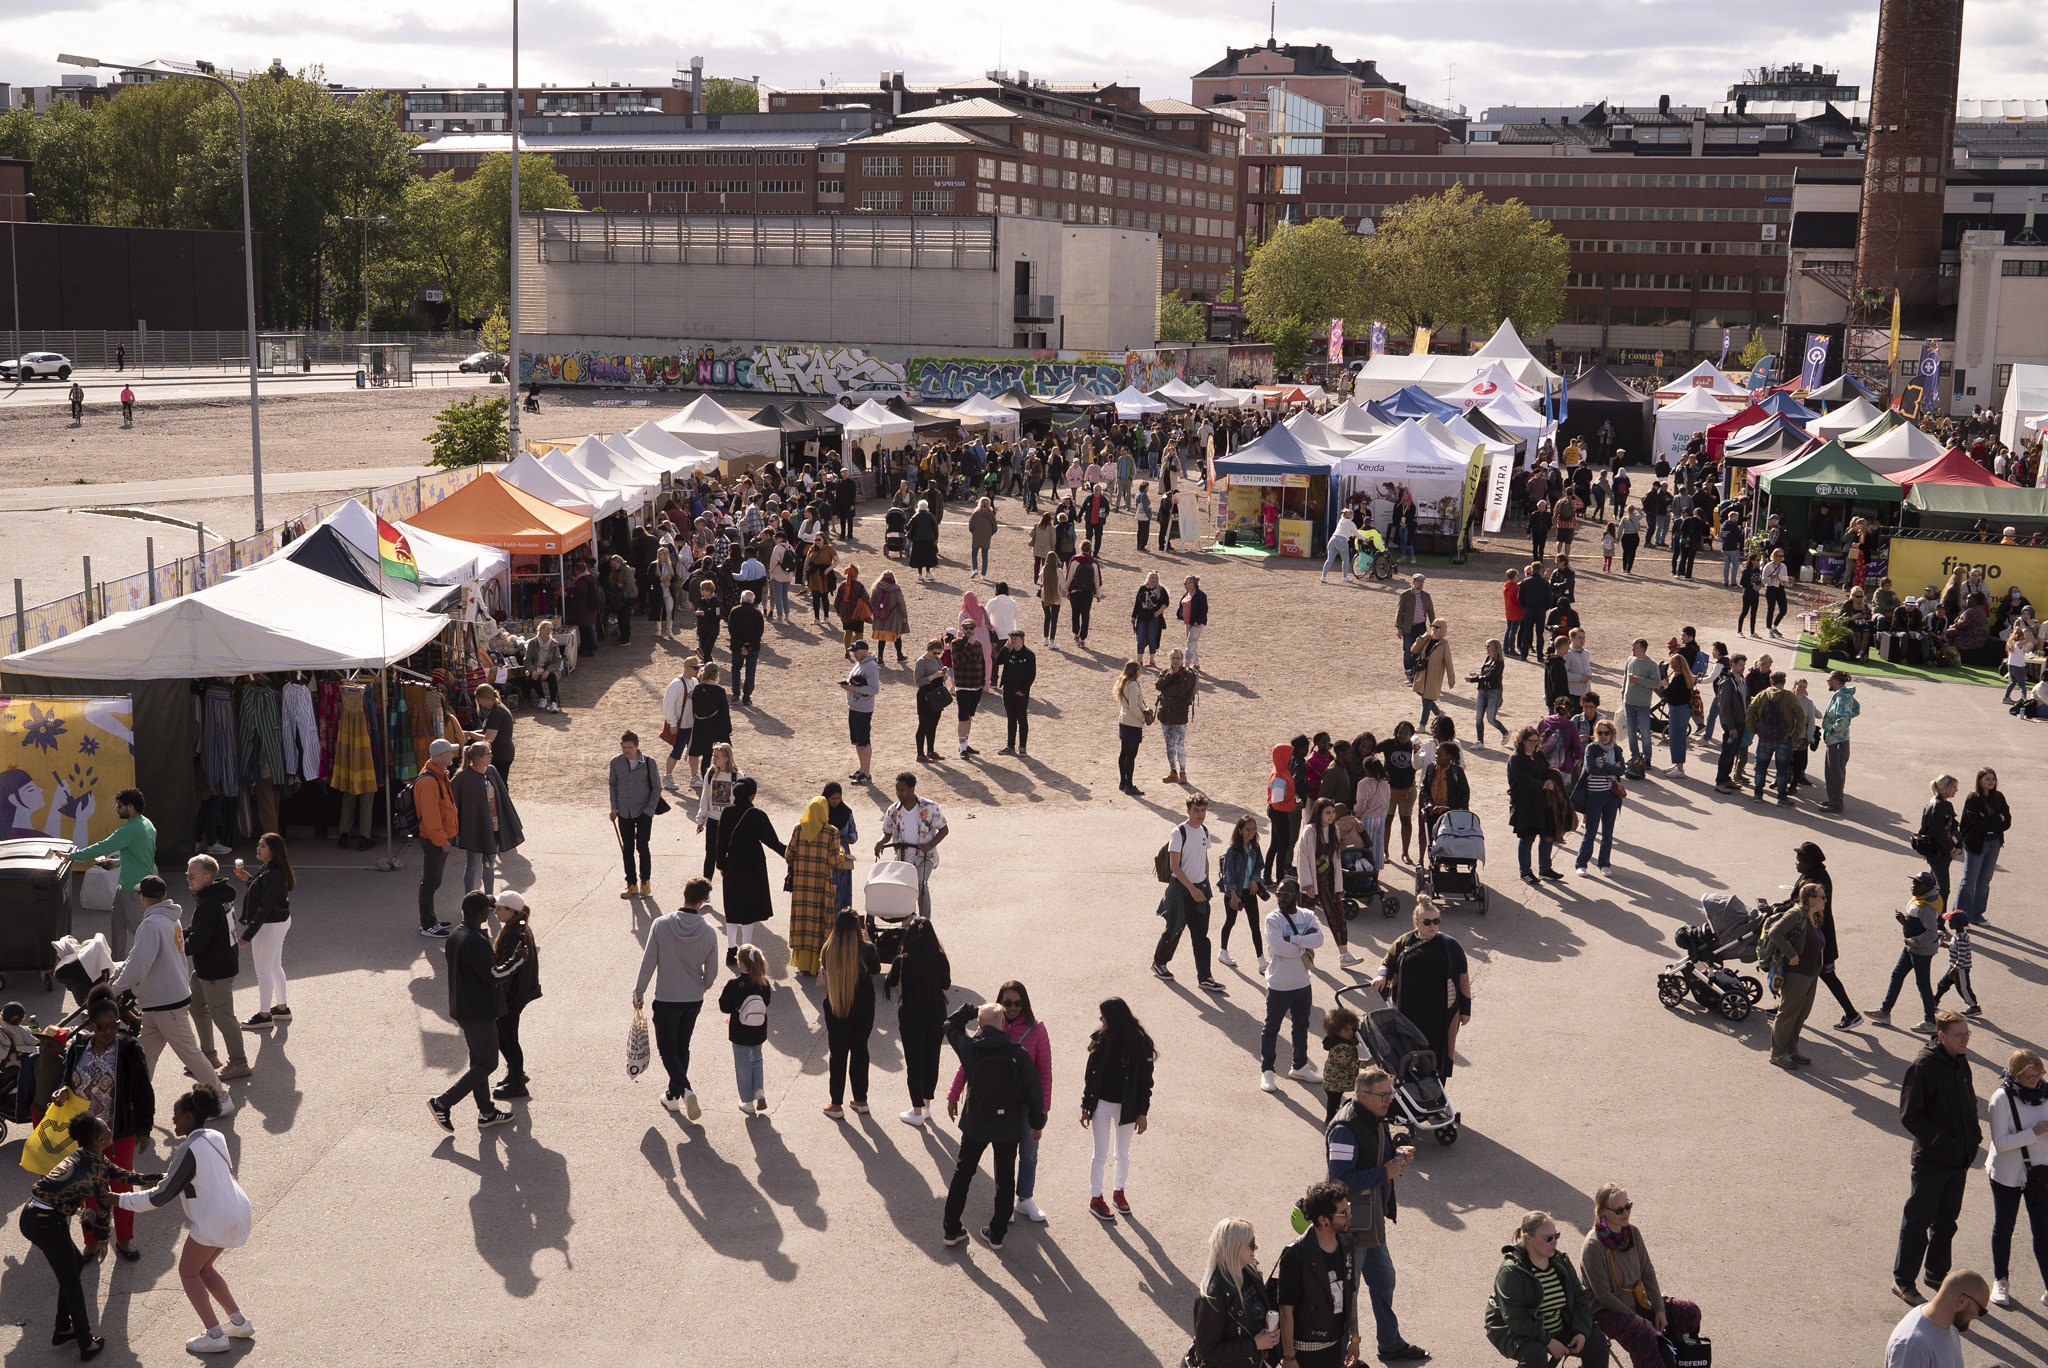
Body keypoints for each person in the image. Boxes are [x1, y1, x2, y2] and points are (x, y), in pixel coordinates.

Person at [117, 1087, 255, 1355]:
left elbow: (160, 1197)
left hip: (214, 1220)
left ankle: (215, 1334)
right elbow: (195, 1174)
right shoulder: (215, 1136)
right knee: (204, 1269)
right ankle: (239, 1323)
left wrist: (118, 1200)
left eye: (177, 1115)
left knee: (188, 1272)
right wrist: (166, 1176)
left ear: (190, 1116)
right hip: (237, 1211)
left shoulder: (188, 1148)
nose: (173, 1120)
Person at [20, 1105, 157, 1360]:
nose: (108, 1125)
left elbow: (119, 1173)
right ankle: (86, 1342)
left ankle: (63, 1329)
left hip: (37, 1217)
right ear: (100, 1139)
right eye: (104, 1126)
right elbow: (104, 1210)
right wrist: (104, 1239)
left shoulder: (88, 1156)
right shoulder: (93, 1171)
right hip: (46, 1222)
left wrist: (148, 1178)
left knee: (74, 1267)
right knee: (71, 1282)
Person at [1326, 1069, 1428, 1362]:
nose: (1390, 1100)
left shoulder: (1374, 1117)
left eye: (1391, 1094)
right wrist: (1386, 1172)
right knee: (1348, 1293)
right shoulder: (1345, 1128)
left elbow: (1373, 1153)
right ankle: (1341, 1355)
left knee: (1384, 1281)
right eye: (1384, 1096)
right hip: (1351, 1226)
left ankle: (1390, 1343)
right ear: (1363, 1096)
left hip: (1371, 1222)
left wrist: (1396, 1152)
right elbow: (1339, 1181)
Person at [109, 875, 233, 1112]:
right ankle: (134, 1101)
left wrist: (115, 987)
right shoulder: (169, 918)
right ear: (164, 895)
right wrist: (120, 976)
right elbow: (137, 956)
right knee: (145, 1056)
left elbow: (139, 963)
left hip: (165, 1002)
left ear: (142, 898)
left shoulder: (151, 924)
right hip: (161, 1001)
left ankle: (221, 1098)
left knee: (191, 1054)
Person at [54, 992, 156, 1265]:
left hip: (118, 1131)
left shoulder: (130, 1049)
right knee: (88, 1189)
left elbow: (143, 1092)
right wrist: (62, 1091)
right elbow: (67, 1081)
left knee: (121, 1187)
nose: (109, 1032)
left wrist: (144, 1129)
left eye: (115, 1026)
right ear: (91, 1024)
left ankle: (124, 1239)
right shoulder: (78, 1047)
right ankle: (92, 1241)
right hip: (85, 1135)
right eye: (102, 1027)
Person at [939, 1000, 1047, 1250]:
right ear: (1002, 1025)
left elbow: (950, 1024)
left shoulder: (969, 1048)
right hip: (1007, 1125)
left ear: (978, 1024)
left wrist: (969, 1008)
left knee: (962, 1174)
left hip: (976, 1123)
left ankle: (951, 1228)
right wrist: (1036, 1121)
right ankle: (997, 1233)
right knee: (1005, 1178)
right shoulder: (1017, 1052)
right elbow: (1033, 1091)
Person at [1893, 1012, 1983, 1303]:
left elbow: (1968, 1100)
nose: (1965, 1039)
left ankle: (1936, 1273)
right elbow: (1910, 1116)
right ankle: (1903, 1281)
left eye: (1967, 1034)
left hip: (1958, 1159)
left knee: (1947, 1221)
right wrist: (1943, 1143)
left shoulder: (1959, 1059)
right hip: (1932, 1161)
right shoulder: (1924, 1066)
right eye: (1959, 1035)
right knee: (1918, 1222)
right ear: (1941, 1036)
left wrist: (1974, 1133)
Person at [428, 891, 525, 1132]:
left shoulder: (455, 936)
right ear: (480, 913)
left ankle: (486, 1111)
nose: (491, 912)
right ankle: (443, 1102)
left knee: (478, 1061)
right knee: (488, 1063)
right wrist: (516, 960)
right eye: (488, 909)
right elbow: (495, 976)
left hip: (462, 1008)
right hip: (479, 1011)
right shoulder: (477, 941)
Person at [1578, 1184, 1703, 1368]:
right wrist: (1639, 1319)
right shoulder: (1593, 1246)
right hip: (1607, 1311)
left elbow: (1647, 1272)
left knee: (1689, 1312)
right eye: (1619, 1210)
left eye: (1628, 1206)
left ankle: (1675, 1358)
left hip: (1637, 1301)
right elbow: (1604, 1296)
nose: (1626, 1213)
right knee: (1642, 1333)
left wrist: (1660, 1309)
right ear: (1604, 1212)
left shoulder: (1632, 1232)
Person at [633, 877, 721, 1118]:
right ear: (703, 901)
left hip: (667, 998)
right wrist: (702, 987)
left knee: (667, 1049)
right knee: (683, 1045)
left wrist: (639, 991)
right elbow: (712, 973)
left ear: (684, 894)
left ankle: (686, 1091)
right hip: (693, 999)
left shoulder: (661, 925)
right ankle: (673, 1096)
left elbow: (648, 961)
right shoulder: (709, 932)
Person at [1485, 1211, 1610, 1368]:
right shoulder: (1511, 1272)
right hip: (1515, 1331)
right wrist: (1548, 1341)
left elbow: (1580, 1298)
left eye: (1556, 1235)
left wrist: (1581, 1331)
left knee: (1597, 1341)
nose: (1554, 1242)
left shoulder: (1560, 1260)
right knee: (1535, 1354)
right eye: (1548, 1238)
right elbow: (1515, 1318)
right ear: (1528, 1239)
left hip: (1555, 1326)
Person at [1376, 900, 1472, 1081]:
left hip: (1440, 1016)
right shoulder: (1404, 941)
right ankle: (1409, 1094)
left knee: (1437, 1057)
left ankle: (1436, 1095)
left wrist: (1465, 1011)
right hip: (1407, 1013)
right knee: (1407, 1053)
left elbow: (1463, 979)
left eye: (1436, 921)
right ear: (1416, 923)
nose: (1432, 925)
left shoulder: (1451, 945)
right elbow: (1387, 961)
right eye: (1427, 922)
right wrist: (1381, 976)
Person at [1080, 997, 1155, 1223]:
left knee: (1122, 1154)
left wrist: (1143, 1112)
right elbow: (1090, 1076)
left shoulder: (1140, 1045)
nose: (1100, 1019)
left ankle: (1118, 1192)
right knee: (1099, 1153)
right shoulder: (1100, 1040)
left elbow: (1145, 1082)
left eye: (1103, 1015)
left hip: (1128, 1107)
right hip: (1101, 1105)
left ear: (1114, 1018)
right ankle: (1096, 1198)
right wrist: (1086, 1105)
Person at [1984, 1049, 2048, 1309]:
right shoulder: (2001, 1099)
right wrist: (2032, 1133)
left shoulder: (2046, 1094)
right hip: (2008, 1174)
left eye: (2038, 1074)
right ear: (2015, 1074)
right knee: (2004, 1228)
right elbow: (2000, 1142)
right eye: (2028, 1076)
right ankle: (2001, 1280)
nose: (2034, 1080)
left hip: (2041, 1174)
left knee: (2043, 1233)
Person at [181, 858, 250, 1081]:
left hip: (216, 970)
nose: (188, 879)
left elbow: (199, 940)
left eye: (192, 876)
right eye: (187, 875)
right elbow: (198, 928)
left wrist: (176, 949)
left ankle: (239, 1062)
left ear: (207, 877)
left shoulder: (209, 903)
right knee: (198, 1006)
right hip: (209, 967)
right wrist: (179, 935)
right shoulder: (215, 897)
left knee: (223, 1016)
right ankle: (208, 1057)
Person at [67, 786, 155, 959]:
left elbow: (102, 846)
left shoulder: (129, 830)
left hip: (135, 891)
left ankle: (151, 970)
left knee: (142, 934)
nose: (117, 809)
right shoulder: (147, 824)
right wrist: (119, 862)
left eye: (119, 806)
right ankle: (117, 969)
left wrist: (71, 856)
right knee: (118, 931)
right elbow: (142, 855)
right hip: (124, 889)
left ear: (130, 807)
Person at [1258, 877, 1326, 1093]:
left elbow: (1319, 939)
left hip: (1302, 983)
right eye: (1278, 894)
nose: (1281, 898)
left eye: (1286, 894)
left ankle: (1300, 1066)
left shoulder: (1308, 915)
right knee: (1271, 1029)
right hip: (1279, 984)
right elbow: (1279, 948)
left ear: (1296, 895)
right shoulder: (1273, 919)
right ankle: (1267, 1071)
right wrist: (1302, 942)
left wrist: (1294, 940)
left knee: (1301, 1027)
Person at [1191, 1215, 1282, 1367]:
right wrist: (1254, 1344)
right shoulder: (1214, 1295)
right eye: (1251, 1244)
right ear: (1235, 1247)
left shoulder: (1250, 1271)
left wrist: (1269, 1333)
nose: (1256, 1248)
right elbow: (1206, 1350)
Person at [1152, 792, 1221, 990]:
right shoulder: (1178, 832)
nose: (1200, 814)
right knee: (1174, 929)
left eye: (1203, 810)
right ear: (1188, 811)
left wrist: (1205, 882)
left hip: (1199, 890)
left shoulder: (1205, 831)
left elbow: (1204, 857)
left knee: (1201, 936)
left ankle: (1205, 978)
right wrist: (1191, 888)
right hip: (1180, 890)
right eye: (1196, 810)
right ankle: (1159, 962)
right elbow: (1174, 866)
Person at [890, 920, 953, 1130]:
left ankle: (916, 1111)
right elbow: (945, 984)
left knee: (914, 1063)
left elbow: (890, 982)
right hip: (936, 1013)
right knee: (931, 1058)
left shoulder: (903, 959)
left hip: (911, 1016)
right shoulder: (940, 957)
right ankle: (926, 1106)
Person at [820, 911, 880, 1119]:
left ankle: (836, 1104)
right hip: (864, 1007)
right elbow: (876, 969)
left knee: (838, 1054)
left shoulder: (828, 950)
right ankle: (861, 1099)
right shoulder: (867, 950)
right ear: (857, 928)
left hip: (837, 1005)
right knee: (860, 1050)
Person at [230, 833, 293, 1029]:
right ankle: (281, 1008)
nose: (258, 848)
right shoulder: (272, 869)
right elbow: (266, 895)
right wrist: (249, 880)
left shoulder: (272, 873)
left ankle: (265, 1015)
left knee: (263, 970)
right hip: (278, 922)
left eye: (263, 846)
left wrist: (247, 934)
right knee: (274, 965)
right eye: (258, 845)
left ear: (273, 851)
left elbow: (264, 907)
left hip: (269, 925)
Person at [717, 775, 788, 948]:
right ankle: (746, 950)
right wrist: (790, 854)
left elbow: (720, 843)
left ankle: (731, 949)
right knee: (749, 911)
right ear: (752, 795)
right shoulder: (757, 815)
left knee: (732, 908)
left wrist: (721, 865)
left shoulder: (727, 812)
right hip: (753, 867)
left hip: (732, 864)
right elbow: (773, 842)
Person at [1761, 882, 1826, 1069]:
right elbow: (1775, 933)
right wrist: (1792, 954)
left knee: (1801, 1014)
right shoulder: (1796, 914)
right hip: (1797, 975)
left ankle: (1790, 1050)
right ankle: (1778, 1053)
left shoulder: (1814, 915)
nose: (1825, 900)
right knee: (1788, 1014)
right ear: (1811, 900)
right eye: (1822, 897)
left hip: (1811, 974)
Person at [451, 741, 522, 896]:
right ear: (477, 758)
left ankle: (488, 898)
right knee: (472, 866)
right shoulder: (463, 777)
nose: (491, 755)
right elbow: (451, 801)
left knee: (489, 864)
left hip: (493, 827)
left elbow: (502, 797)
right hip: (474, 829)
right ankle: (469, 900)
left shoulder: (491, 771)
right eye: (487, 754)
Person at [489, 891, 541, 1103]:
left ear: (511, 911)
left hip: (512, 996)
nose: (495, 912)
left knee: (506, 1037)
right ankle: (515, 1073)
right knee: (507, 1035)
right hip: (519, 993)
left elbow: (508, 971)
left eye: (499, 908)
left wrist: (498, 997)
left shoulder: (512, 934)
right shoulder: (520, 926)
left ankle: (517, 1080)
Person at [876, 772, 947, 919]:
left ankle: (925, 921)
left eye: (902, 790)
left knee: (920, 884)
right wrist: (881, 842)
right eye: (897, 790)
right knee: (904, 888)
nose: (898, 793)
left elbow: (944, 829)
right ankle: (907, 919)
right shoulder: (893, 810)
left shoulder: (930, 806)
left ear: (912, 789)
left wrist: (930, 845)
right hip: (902, 858)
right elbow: (886, 832)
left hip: (925, 856)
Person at [1884, 1270, 1989, 1368]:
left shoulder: (1949, 1323)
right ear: (1962, 1301)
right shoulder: (1912, 1346)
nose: (1979, 1316)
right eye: (1981, 1311)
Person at [717, 945, 774, 1116]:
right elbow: (767, 1003)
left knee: (742, 1064)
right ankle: (759, 1090)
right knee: (757, 1059)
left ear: (741, 963)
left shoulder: (734, 984)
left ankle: (748, 1101)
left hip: (739, 1032)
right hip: (758, 1030)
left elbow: (724, 1007)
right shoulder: (764, 984)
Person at [413, 738, 460, 937]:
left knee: (432, 881)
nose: (452, 755)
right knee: (430, 882)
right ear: (442, 756)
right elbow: (431, 817)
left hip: (437, 839)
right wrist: (442, 841)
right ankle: (427, 924)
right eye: (450, 752)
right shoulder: (430, 780)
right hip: (434, 840)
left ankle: (431, 920)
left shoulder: (437, 775)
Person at [1507, 726, 1564, 886]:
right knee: (1527, 838)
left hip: (1543, 802)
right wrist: (1543, 785)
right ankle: (1525, 871)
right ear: (1523, 741)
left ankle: (1545, 868)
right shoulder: (1516, 758)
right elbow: (1522, 779)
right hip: (1525, 804)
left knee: (1547, 835)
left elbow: (1548, 770)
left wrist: (1550, 780)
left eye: (1537, 741)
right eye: (1531, 741)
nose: (1535, 744)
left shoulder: (1539, 754)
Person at [610, 731, 662, 900]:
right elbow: (613, 785)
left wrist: (650, 810)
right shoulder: (616, 762)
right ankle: (631, 883)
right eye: (624, 747)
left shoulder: (649, 762)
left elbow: (657, 788)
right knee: (627, 849)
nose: (627, 751)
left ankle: (645, 881)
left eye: (630, 747)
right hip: (624, 811)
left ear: (636, 746)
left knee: (642, 846)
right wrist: (614, 807)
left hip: (644, 811)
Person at [1955, 767, 2009, 924]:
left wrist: (1991, 820)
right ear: (1980, 781)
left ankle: (1976, 915)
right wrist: (1997, 819)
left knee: (1984, 882)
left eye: (1993, 778)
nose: (1991, 782)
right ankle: (1960, 918)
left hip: (1994, 844)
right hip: (1976, 845)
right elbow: (1977, 824)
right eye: (1987, 779)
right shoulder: (1973, 799)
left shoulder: (1999, 797)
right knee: (1969, 881)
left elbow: (2008, 821)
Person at [1216, 815, 1267, 972]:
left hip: (1250, 892)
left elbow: (1259, 865)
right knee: (1230, 921)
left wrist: (1254, 879)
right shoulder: (1233, 850)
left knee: (1254, 925)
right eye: (1248, 830)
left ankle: (1261, 959)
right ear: (1240, 830)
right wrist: (1232, 895)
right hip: (1235, 893)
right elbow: (1228, 874)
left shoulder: (1255, 847)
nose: (1251, 832)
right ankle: (1223, 951)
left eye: (1253, 829)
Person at [1918, 775, 1961, 915]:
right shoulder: (1937, 806)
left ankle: (1928, 915)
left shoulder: (1944, 804)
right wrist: (1951, 849)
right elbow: (1939, 834)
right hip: (1937, 853)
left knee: (1933, 885)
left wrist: (1959, 845)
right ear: (1944, 788)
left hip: (1940, 852)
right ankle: (1939, 920)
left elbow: (1952, 828)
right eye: (1954, 787)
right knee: (1943, 888)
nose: (1956, 790)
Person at [839, 638, 880, 784]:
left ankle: (867, 773)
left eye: (856, 652)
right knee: (857, 741)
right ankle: (862, 769)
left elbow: (875, 689)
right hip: (855, 708)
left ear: (864, 651)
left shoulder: (870, 667)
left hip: (863, 710)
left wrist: (854, 688)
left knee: (864, 742)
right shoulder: (860, 664)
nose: (854, 654)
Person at [1156, 649, 1199, 785]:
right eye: (1173, 658)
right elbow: (1158, 686)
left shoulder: (1189, 675)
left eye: (1178, 658)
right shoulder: (1165, 672)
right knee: (1169, 745)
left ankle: (1183, 772)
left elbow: (1180, 692)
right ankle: (1173, 772)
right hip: (1166, 715)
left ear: (1182, 659)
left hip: (1179, 716)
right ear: (1169, 659)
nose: (1175, 661)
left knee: (1179, 745)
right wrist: (1169, 676)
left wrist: (1166, 688)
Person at [660, 657, 701, 794]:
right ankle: (667, 776)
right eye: (695, 668)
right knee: (676, 752)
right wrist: (672, 722)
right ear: (687, 668)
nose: (698, 670)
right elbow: (668, 705)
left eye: (698, 667)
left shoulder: (695, 682)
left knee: (694, 752)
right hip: (680, 725)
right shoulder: (676, 684)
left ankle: (694, 776)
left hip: (692, 725)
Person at [1818, 671, 1857, 811]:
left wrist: (1835, 729)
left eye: (1829, 679)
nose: (1827, 682)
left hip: (1837, 741)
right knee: (1834, 772)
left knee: (1834, 773)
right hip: (1838, 741)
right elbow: (1856, 709)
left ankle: (1836, 804)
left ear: (1835, 681)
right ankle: (1834, 800)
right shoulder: (1845, 695)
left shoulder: (1841, 697)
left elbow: (1844, 716)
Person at [994, 629, 1037, 756]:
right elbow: (998, 661)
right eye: (1011, 639)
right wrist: (1005, 648)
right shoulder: (1009, 652)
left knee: (1022, 719)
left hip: (1020, 693)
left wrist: (1023, 690)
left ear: (1022, 640)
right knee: (1011, 719)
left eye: (1015, 639)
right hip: (1008, 690)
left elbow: (1031, 675)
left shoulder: (1029, 654)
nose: (1013, 641)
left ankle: (1022, 747)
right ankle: (1010, 745)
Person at [1114, 659, 1152, 795]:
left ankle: (1123, 782)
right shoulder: (1134, 685)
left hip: (1124, 720)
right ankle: (1129, 785)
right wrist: (1143, 718)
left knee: (1124, 753)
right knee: (1131, 755)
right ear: (1135, 671)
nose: (1141, 671)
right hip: (1133, 723)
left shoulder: (1124, 682)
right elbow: (1134, 706)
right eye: (1139, 668)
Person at [467, 684, 515, 785]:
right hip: (503, 753)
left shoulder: (496, 713)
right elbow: (487, 730)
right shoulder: (495, 708)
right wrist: (468, 733)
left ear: (485, 698)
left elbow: (488, 739)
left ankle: (503, 801)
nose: (478, 703)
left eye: (479, 700)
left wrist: (470, 734)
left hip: (501, 755)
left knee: (500, 785)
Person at [1409, 619, 1453, 728]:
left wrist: (1451, 679)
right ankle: (1438, 713)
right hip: (1422, 674)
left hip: (1434, 676)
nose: (1434, 628)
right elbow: (1413, 650)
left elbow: (1449, 662)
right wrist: (1422, 638)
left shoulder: (1444, 644)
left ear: (1442, 629)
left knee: (1426, 700)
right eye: (1433, 626)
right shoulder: (1427, 639)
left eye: (1437, 627)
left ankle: (1422, 724)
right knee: (1423, 694)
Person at [1660, 653, 1696, 779]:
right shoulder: (1687, 676)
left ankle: (1679, 767)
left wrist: (1665, 686)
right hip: (1684, 709)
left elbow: (1669, 695)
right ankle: (1677, 764)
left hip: (1677, 710)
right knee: (1678, 738)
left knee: (1676, 739)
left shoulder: (1678, 678)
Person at [1395, 575, 1434, 683]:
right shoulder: (1405, 595)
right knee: (1407, 650)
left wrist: (1433, 627)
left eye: (1422, 582)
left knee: (1419, 651)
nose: (1420, 584)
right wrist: (1399, 627)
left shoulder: (1426, 596)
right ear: (1413, 582)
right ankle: (1408, 673)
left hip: (1421, 627)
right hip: (1408, 627)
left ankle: (1416, 674)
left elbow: (1431, 612)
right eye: (1418, 582)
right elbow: (1399, 612)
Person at [524, 620, 565, 711]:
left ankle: (553, 703)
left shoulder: (554, 644)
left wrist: (548, 670)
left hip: (549, 668)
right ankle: (542, 698)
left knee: (552, 677)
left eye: (550, 629)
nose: (547, 631)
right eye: (545, 629)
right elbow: (527, 660)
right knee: (533, 676)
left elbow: (557, 660)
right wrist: (533, 670)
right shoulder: (532, 643)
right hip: (537, 667)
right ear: (540, 629)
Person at [1132, 571, 1169, 667]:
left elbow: (1166, 603)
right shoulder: (1142, 588)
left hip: (1154, 618)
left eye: (1156, 578)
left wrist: (1159, 612)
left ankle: (1152, 660)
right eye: (1152, 577)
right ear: (1148, 578)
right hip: (1142, 617)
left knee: (1152, 638)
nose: (1154, 580)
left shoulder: (1161, 590)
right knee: (1140, 638)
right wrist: (1133, 616)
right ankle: (1139, 660)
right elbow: (1137, 603)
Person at [1179, 575, 1208, 670]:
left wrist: (1198, 621)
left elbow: (1204, 610)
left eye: (1185, 583)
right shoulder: (1186, 594)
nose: (1184, 585)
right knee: (1193, 643)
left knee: (1190, 643)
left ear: (1192, 584)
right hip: (1188, 623)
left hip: (1197, 624)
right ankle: (1196, 664)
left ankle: (1186, 664)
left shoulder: (1200, 595)